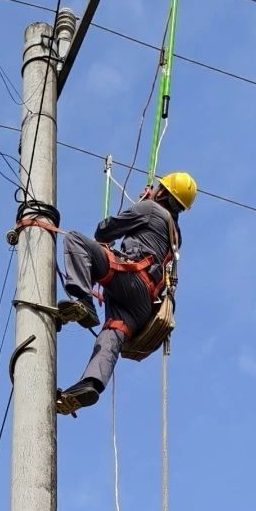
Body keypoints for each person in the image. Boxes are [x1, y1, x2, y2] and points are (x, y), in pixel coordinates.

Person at [55, 170, 198, 415]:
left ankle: (82, 300)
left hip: (131, 279)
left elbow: (103, 232)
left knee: (76, 240)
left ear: (162, 191)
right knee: (111, 335)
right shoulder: (176, 235)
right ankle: (91, 383)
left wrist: (143, 204)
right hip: (142, 306)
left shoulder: (150, 211)